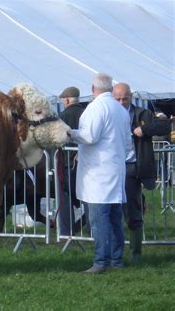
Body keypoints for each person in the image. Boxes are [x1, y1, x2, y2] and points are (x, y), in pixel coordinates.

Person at [68, 73, 131, 274]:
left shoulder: (96, 108)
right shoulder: (120, 110)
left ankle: (101, 260)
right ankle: (116, 259)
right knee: (114, 218)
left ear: (93, 89)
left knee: (99, 219)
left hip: (98, 173)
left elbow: (90, 136)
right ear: (110, 88)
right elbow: (128, 142)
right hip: (115, 169)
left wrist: (70, 132)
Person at [113, 83, 170, 263]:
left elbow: (164, 126)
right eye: (117, 99)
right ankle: (113, 252)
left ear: (131, 97)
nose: (121, 102)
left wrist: (144, 129)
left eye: (124, 98)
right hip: (111, 167)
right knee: (113, 210)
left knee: (133, 210)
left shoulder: (141, 113)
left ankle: (135, 253)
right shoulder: (108, 112)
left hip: (132, 167)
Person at [58, 86, 86, 235]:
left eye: (63, 100)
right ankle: (86, 224)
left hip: (67, 163)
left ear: (67, 100)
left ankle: (66, 231)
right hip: (86, 162)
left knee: (65, 196)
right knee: (87, 196)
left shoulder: (62, 116)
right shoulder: (87, 113)